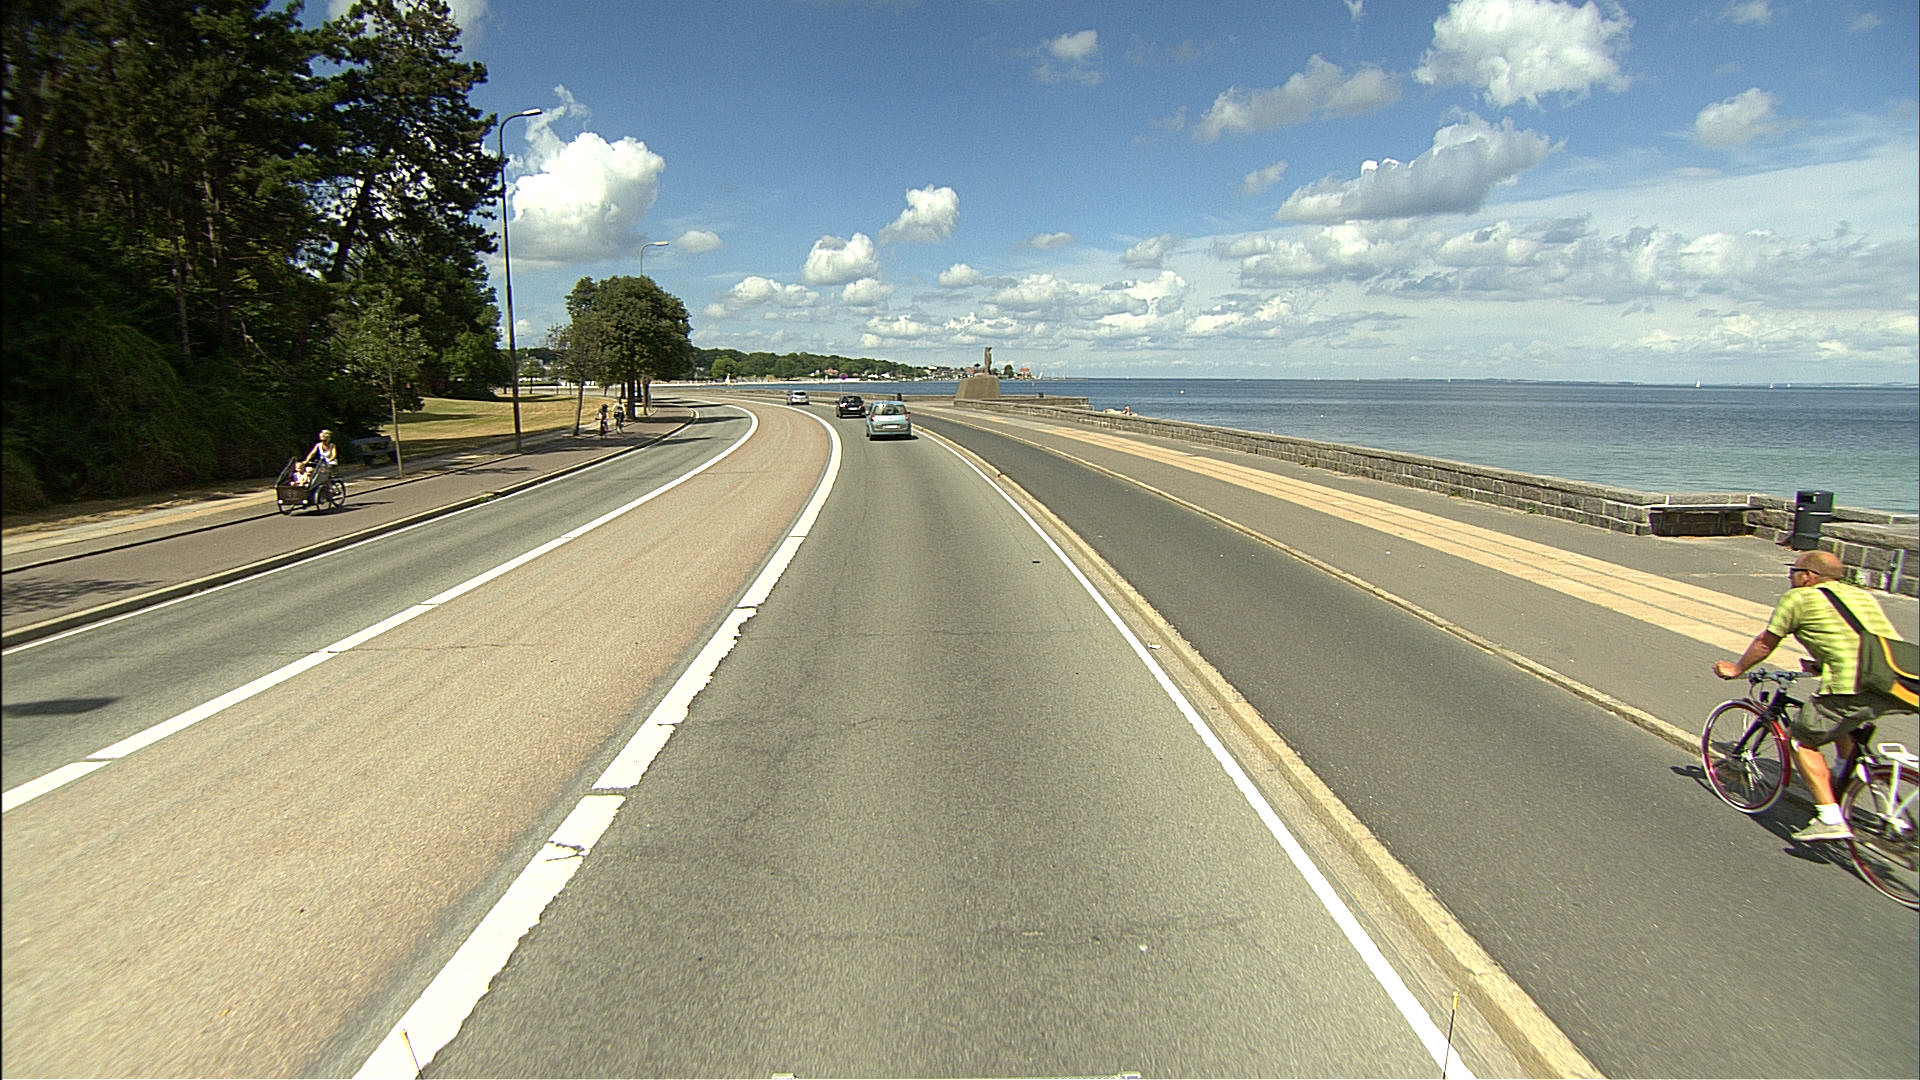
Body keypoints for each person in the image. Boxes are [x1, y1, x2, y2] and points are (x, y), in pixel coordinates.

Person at [1713, 549, 1914, 840]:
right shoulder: (1861, 596)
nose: (1790, 578)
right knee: (1840, 723)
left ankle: (1829, 817)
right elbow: (1856, 638)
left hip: (1851, 685)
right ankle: (1846, 780)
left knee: (1800, 740)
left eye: (1793, 572)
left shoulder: (1798, 598)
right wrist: (1821, 665)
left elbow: (1766, 643)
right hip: (1895, 682)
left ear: (1808, 576)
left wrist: (1737, 668)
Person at [298, 429, 337, 506]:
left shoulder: (332, 446)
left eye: (325, 440)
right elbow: (312, 453)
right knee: (311, 470)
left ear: (328, 439)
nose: (323, 442)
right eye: (322, 440)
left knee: (324, 474)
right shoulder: (318, 445)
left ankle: (331, 489)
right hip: (321, 463)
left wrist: (329, 460)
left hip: (330, 463)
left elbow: (334, 455)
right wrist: (306, 460)